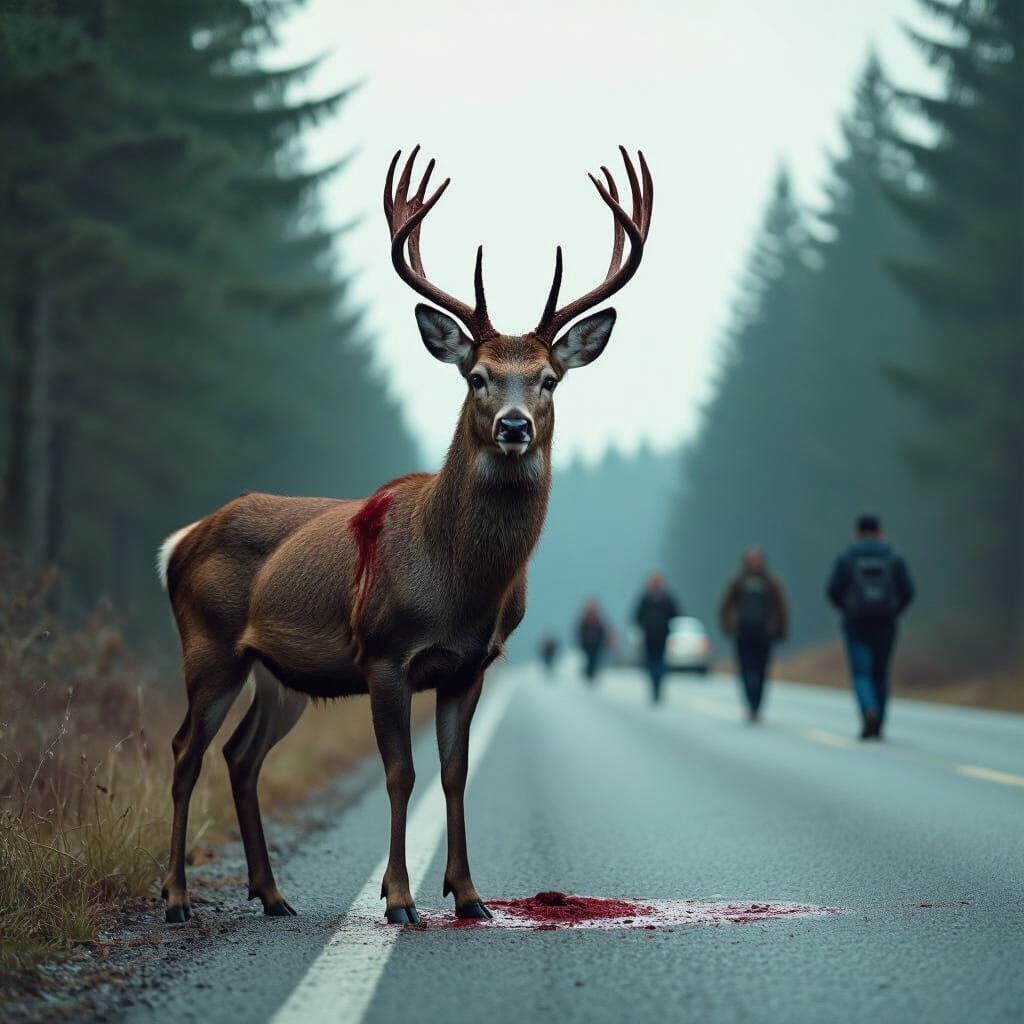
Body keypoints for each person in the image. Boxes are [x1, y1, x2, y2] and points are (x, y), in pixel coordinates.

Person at [827, 514, 914, 739]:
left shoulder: (847, 558)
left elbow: (832, 591)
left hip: (856, 624)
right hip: (886, 624)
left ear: (857, 533)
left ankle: (869, 710)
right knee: (880, 673)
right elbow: (908, 591)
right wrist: (894, 611)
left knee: (861, 673)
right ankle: (879, 722)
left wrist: (847, 609)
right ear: (880, 533)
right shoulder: (894, 558)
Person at [719, 547, 788, 722]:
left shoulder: (768, 583)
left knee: (760, 670)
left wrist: (780, 630)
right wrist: (729, 627)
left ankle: (756, 705)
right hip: (744, 634)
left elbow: (781, 608)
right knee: (748, 669)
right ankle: (752, 704)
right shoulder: (740, 582)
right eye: (752, 560)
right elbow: (726, 607)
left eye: (757, 560)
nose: (754, 563)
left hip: (763, 634)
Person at [633, 573, 680, 704]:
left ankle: (658, 685)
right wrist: (644, 626)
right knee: (650, 662)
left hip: (662, 636)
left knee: (660, 662)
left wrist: (665, 624)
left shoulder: (667, 598)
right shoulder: (645, 599)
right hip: (649, 636)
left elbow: (675, 613)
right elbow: (637, 616)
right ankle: (654, 685)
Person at [577, 600, 609, 684]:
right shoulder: (585, 620)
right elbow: (580, 632)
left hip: (596, 645)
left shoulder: (598, 620)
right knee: (589, 660)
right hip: (587, 645)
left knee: (594, 660)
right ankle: (588, 675)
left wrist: (602, 641)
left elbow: (602, 631)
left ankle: (592, 676)